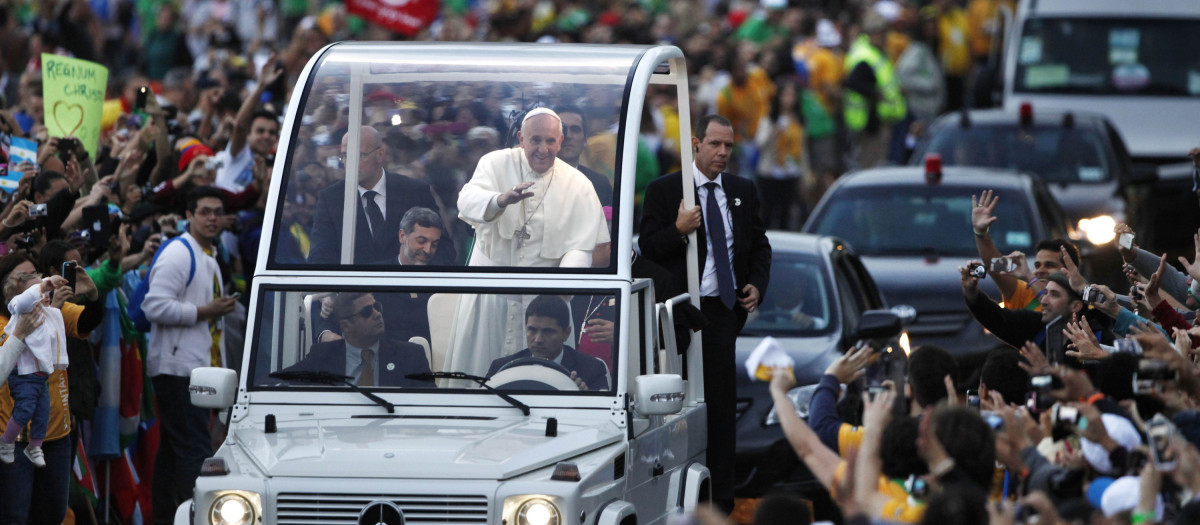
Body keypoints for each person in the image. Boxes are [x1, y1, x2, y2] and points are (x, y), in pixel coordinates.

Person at [638, 114, 772, 511]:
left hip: (722, 312)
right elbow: (647, 249)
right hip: (679, 315)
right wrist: (679, 229)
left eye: (729, 146)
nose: (722, 153)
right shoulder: (665, 190)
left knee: (719, 409)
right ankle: (670, 498)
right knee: (672, 407)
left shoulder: (742, 190)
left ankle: (721, 503)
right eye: (715, 144)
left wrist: (756, 284)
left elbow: (760, 245)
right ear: (695, 144)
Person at [142, 187, 239, 524]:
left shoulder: (208, 255)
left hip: (196, 369)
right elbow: (152, 305)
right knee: (193, 452)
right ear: (188, 216)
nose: (212, 218)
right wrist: (204, 310)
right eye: (204, 212)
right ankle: (195, 516)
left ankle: (167, 516)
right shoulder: (179, 253)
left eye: (217, 212)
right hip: (178, 369)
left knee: (173, 452)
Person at [457, 108, 608, 268]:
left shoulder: (579, 183)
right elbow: (466, 201)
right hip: (492, 283)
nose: (543, 149)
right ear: (521, 139)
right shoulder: (495, 163)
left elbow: (582, 247)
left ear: (560, 141)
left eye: (550, 141)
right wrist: (499, 200)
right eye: (536, 140)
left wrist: (562, 286)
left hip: (545, 287)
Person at [307, 126, 451, 265]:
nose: (350, 163)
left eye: (359, 156)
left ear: (380, 155)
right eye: (345, 156)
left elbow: (442, 249)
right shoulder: (331, 198)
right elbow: (320, 257)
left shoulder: (414, 192)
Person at [288, 292, 433, 387]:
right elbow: (277, 382)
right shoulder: (323, 356)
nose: (377, 314)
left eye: (376, 307)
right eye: (367, 312)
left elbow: (431, 404)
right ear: (346, 325)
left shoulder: (410, 355)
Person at [0, 273, 68, 468]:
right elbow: (24, 301)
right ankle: (6, 443)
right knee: (24, 410)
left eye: (45, 290)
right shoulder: (18, 308)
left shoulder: (47, 315)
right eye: (38, 290)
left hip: (40, 376)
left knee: (42, 413)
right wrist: (43, 286)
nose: (44, 293)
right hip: (22, 374)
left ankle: (35, 446)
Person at [485, 295, 609, 391]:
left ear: (566, 333)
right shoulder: (500, 369)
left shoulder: (591, 370)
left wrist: (585, 399)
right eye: (532, 330)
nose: (538, 339)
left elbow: (602, 418)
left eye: (548, 332)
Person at [843, 10, 906, 170]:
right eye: (881, 33)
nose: (885, 37)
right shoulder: (865, 55)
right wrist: (876, 94)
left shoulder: (873, 51)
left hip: (879, 120)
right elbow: (853, 83)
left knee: (877, 163)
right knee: (870, 165)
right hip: (870, 123)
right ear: (872, 33)